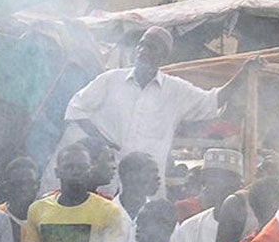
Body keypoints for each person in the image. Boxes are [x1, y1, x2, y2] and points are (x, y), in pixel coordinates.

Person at [62, 26, 231, 181]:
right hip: (108, 183)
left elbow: (213, 101)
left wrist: (244, 74)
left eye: (151, 47)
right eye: (141, 45)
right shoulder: (111, 79)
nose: (143, 50)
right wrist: (101, 141)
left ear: (163, 57)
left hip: (145, 187)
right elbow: (76, 109)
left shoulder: (176, 90)